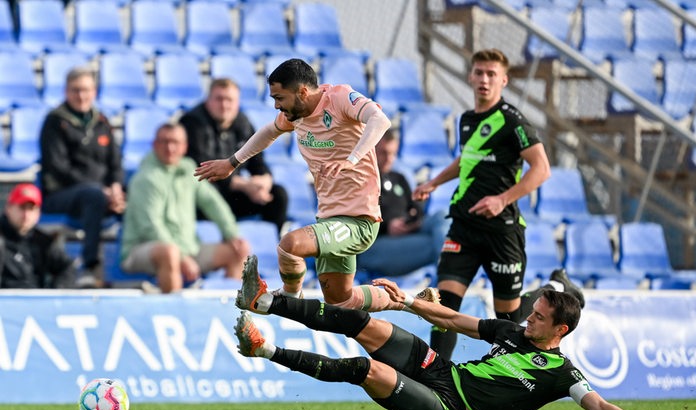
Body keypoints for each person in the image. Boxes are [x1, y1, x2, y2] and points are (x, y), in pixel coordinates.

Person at [231, 257, 649, 410]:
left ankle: (265, 349)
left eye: (538, 318)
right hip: (443, 371)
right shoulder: (512, 331)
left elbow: (598, 406)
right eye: (532, 312)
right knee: (362, 322)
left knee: (365, 369)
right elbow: (451, 318)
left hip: (452, 408)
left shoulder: (563, 373)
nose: (529, 320)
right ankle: (264, 301)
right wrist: (408, 300)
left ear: (561, 331)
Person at [195, 58, 400, 312]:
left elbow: (380, 120)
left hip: (358, 220)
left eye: (279, 97)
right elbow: (269, 132)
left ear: (302, 92)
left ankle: (290, 297)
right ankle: (407, 302)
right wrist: (232, 162)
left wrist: (351, 159)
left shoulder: (340, 98)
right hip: (329, 218)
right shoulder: (296, 114)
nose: (276, 105)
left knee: (289, 245)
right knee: (341, 301)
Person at [412, 49, 552, 360]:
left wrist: (502, 199)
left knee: (509, 319)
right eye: (479, 72)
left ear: (503, 80)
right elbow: (468, 159)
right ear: (470, 76)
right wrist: (434, 182)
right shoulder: (467, 119)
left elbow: (542, 168)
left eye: (491, 74)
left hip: (502, 232)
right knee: (443, 304)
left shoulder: (512, 120)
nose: (484, 79)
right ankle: (436, 378)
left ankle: (552, 288)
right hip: (464, 227)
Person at [121, 123, 250, 293]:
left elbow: (213, 203)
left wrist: (231, 233)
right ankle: (174, 310)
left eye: (175, 142)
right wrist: (182, 257)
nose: (170, 147)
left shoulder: (189, 171)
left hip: (188, 248)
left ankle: (232, 312)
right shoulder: (144, 179)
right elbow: (150, 227)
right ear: (154, 145)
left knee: (239, 251)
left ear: (184, 147)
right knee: (170, 253)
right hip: (140, 250)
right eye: (164, 142)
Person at [39, 65, 126, 287]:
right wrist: (101, 190)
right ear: (66, 92)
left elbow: (115, 162)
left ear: (94, 92)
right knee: (93, 196)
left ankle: (136, 262)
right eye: (75, 90)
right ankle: (89, 267)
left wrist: (116, 187)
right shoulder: (54, 122)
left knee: (140, 193)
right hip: (61, 195)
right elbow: (58, 168)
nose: (81, 95)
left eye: (85, 90)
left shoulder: (101, 122)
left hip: (101, 193)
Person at [180, 78, 290, 235]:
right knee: (206, 197)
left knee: (277, 195)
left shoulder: (243, 123)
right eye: (219, 99)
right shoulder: (192, 123)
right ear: (208, 100)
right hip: (206, 195)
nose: (224, 105)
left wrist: (264, 181)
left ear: (237, 102)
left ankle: (275, 247)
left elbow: (258, 162)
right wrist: (245, 186)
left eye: (229, 100)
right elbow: (202, 169)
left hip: (234, 193)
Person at [356, 129, 451, 277]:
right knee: (437, 245)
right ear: (371, 150)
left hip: (408, 232)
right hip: (377, 243)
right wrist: (389, 225)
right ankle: (449, 283)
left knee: (443, 215)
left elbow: (416, 207)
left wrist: (414, 221)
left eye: (393, 154)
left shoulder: (398, 177)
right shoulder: (360, 180)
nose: (389, 159)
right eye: (384, 153)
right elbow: (356, 223)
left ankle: (449, 280)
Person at [0, 183, 76, 288]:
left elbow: (66, 267)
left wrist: (56, 294)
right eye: (22, 207)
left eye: (31, 208)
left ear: (38, 213)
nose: (26, 214)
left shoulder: (42, 241)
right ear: (8, 208)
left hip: (35, 301)